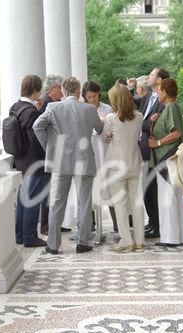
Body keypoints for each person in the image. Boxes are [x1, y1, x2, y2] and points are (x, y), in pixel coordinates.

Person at [33, 76, 104, 254]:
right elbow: (101, 128)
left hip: (60, 161)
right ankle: (83, 242)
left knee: (57, 203)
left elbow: (37, 126)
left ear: (63, 91)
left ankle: (53, 245)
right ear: (79, 91)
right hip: (84, 160)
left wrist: (50, 147)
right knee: (84, 202)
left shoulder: (53, 107)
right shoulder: (88, 108)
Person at [148, 78, 183, 247]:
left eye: (159, 89)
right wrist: (153, 121)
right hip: (167, 158)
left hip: (167, 157)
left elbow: (177, 133)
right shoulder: (169, 108)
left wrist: (157, 143)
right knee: (174, 197)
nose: (157, 92)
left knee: (168, 197)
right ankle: (181, 236)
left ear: (165, 92)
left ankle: (171, 238)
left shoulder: (171, 107)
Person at [104, 84, 144, 252]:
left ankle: (126, 241)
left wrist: (109, 137)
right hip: (134, 163)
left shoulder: (111, 118)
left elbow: (106, 136)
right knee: (137, 202)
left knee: (120, 204)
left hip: (116, 166)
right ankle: (140, 241)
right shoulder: (139, 116)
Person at [12, 75, 48, 247]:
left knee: (21, 200)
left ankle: (19, 235)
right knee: (32, 199)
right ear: (35, 90)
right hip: (34, 161)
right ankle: (30, 237)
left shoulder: (16, 107)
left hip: (20, 160)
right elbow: (36, 138)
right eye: (39, 88)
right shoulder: (30, 111)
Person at [82, 81, 119, 232]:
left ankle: (117, 224)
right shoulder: (82, 109)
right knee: (90, 186)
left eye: (95, 96)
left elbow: (113, 128)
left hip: (104, 149)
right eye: (89, 97)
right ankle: (90, 224)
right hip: (89, 149)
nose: (92, 100)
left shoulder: (107, 108)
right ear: (85, 96)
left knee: (109, 185)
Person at [138, 67, 170, 238]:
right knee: (146, 189)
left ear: (159, 80)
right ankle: (151, 222)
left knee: (154, 189)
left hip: (155, 151)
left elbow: (155, 126)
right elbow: (142, 120)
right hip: (142, 148)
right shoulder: (148, 96)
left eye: (151, 75)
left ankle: (157, 225)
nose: (148, 77)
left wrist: (145, 124)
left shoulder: (164, 101)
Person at [39, 74, 66, 235]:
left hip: (56, 152)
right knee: (50, 191)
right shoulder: (47, 105)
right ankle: (47, 225)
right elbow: (39, 127)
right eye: (60, 88)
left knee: (54, 190)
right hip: (51, 153)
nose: (62, 92)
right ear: (53, 89)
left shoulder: (52, 103)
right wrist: (47, 146)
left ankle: (54, 223)